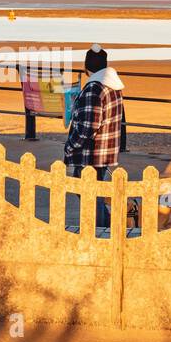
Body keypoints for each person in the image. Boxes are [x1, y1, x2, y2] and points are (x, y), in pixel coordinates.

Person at [63, 44, 124, 230]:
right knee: (94, 190)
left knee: (89, 191)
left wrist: (70, 146)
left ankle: (102, 229)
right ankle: (105, 226)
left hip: (91, 152)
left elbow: (88, 126)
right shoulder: (113, 86)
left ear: (86, 66)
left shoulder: (93, 88)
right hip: (106, 149)